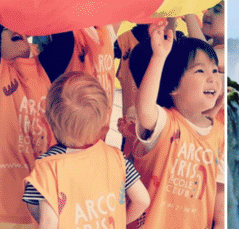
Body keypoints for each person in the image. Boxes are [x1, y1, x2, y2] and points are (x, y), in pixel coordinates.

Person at [22, 71, 150, 228]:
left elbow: (48, 221)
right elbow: (142, 200)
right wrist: (120, 221)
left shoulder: (48, 166)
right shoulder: (117, 158)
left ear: (48, 118)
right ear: (104, 117)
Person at [129, 22, 224, 229]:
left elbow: (219, 186)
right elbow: (144, 108)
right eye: (200, 71)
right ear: (173, 86)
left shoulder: (219, 133)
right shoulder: (165, 123)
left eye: (215, 70)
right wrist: (159, 57)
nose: (213, 78)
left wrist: (221, 222)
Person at [0, 21, 74, 228]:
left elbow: (64, 38)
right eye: (6, 30)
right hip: (3, 207)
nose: (15, 30)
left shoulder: (45, 68)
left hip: (42, 202)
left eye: (19, 28)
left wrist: (34, 18)